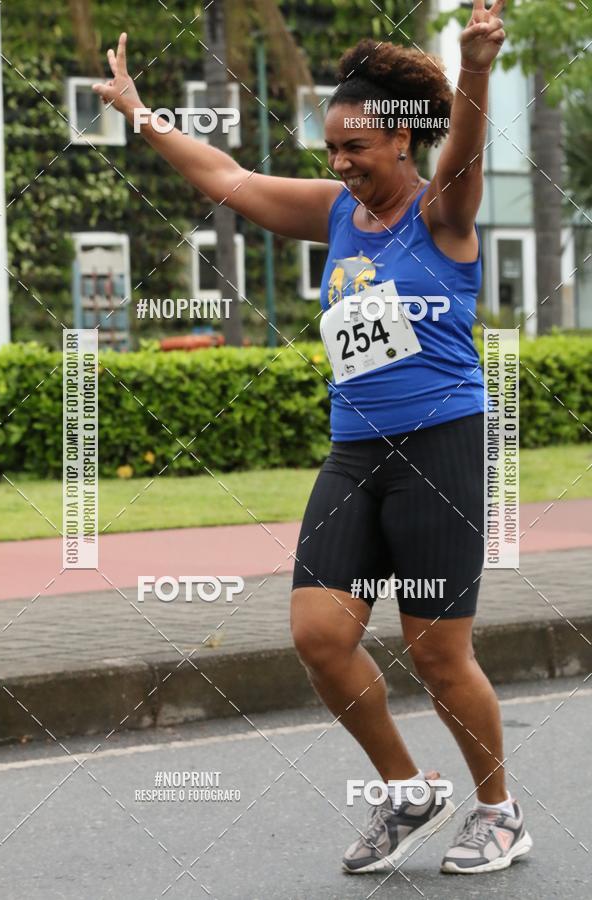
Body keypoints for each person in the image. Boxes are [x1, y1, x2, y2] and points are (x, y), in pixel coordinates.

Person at [94, 0, 532, 877]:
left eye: (355, 147)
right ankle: (406, 790)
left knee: (439, 654)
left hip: (442, 443)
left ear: (401, 142)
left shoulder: (443, 214)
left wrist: (476, 65)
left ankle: (500, 810)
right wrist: (140, 114)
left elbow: (469, 154)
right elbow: (225, 180)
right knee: (319, 636)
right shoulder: (336, 213)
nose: (339, 162)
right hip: (356, 451)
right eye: (331, 149)